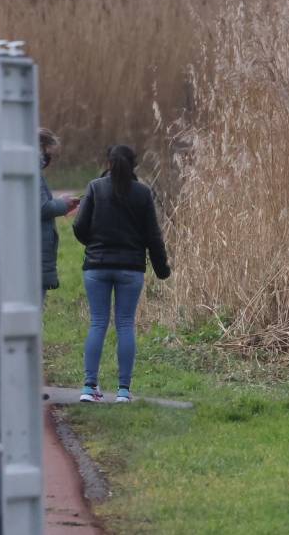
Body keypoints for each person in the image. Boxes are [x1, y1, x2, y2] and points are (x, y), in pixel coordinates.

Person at [72, 145, 170, 403]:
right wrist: (162, 269)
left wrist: (93, 244)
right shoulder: (143, 193)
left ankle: (88, 387)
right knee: (125, 324)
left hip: (96, 266)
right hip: (130, 269)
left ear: (108, 162)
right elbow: (153, 235)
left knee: (97, 323)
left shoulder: (94, 187)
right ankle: (123, 392)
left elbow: (79, 226)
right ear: (134, 165)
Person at [38, 128, 80, 303]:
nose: (49, 159)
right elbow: (41, 208)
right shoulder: (33, 175)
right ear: (41, 147)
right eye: (48, 152)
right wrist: (64, 204)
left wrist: (59, 201)